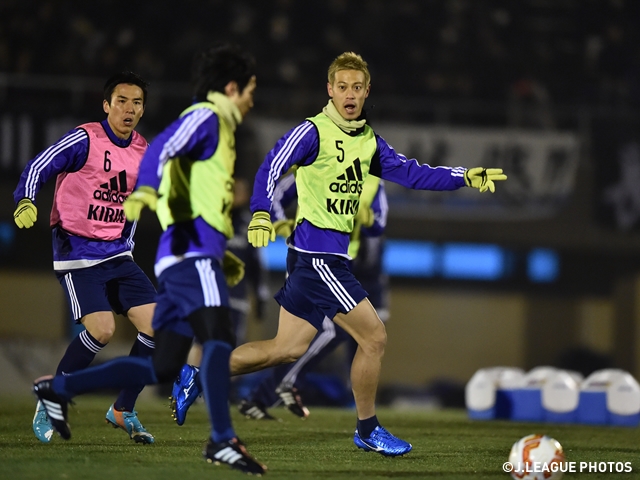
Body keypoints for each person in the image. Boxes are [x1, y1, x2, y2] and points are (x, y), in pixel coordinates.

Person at [236, 51, 507, 457]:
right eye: (342, 87)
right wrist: (260, 214)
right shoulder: (313, 131)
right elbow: (271, 165)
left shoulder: (366, 142)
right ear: (330, 90)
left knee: (285, 349)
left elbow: (414, 173)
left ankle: (196, 372)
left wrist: (465, 176)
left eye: (357, 88)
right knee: (375, 337)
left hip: (324, 259)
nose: (349, 94)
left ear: (366, 93)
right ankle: (367, 429)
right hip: (317, 257)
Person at [32, 43, 266, 475]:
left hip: (173, 252)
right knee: (214, 337)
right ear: (233, 87)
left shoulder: (222, 129)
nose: (254, 97)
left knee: (162, 360)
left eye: (137, 102)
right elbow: (161, 152)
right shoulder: (205, 117)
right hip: (159, 252)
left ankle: (62, 389)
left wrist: (223, 254)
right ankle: (221, 439)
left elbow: (193, 193)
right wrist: (145, 190)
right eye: (251, 88)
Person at [13, 71, 156, 444]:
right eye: (121, 101)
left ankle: (123, 409)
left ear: (142, 110)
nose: (129, 108)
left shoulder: (143, 150)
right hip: (77, 251)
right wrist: (25, 198)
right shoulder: (85, 138)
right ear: (106, 105)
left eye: (136, 102)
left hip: (117, 254)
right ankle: (51, 398)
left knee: (158, 327)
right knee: (103, 330)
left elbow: (139, 205)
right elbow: (40, 165)